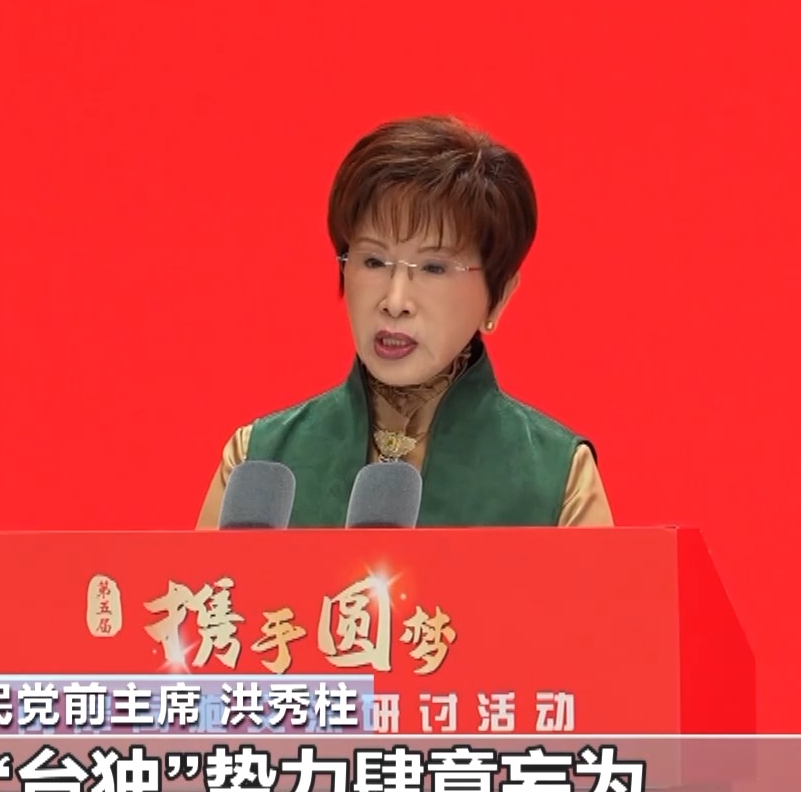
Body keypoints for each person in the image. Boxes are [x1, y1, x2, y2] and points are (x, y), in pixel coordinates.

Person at [196, 115, 613, 528]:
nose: (395, 303)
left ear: (498, 295)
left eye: (433, 268)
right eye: (373, 261)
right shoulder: (257, 460)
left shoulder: (558, 479)